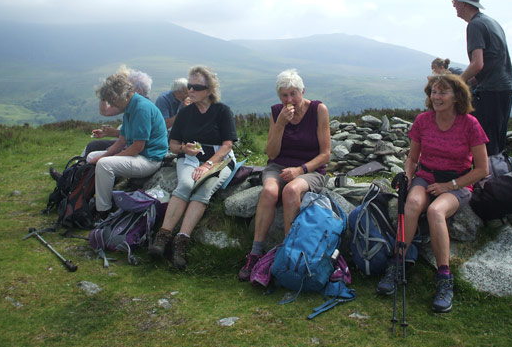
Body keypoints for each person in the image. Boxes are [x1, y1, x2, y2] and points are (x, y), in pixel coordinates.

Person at [376, 73, 489, 313]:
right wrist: (407, 175)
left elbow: (482, 169)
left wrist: (450, 186)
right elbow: (413, 158)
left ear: (457, 96)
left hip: (457, 183)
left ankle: (444, 279)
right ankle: (397, 266)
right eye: (434, 92)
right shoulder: (423, 121)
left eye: (442, 92)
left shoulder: (470, 124)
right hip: (425, 176)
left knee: (437, 211)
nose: (436, 97)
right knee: (413, 204)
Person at [238, 68, 331, 282]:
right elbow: (271, 153)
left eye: (293, 94)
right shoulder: (276, 112)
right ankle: (255, 252)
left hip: (310, 169)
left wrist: (300, 170)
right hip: (279, 165)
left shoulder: (318, 110)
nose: (290, 99)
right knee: (269, 191)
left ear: (302, 91)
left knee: (291, 190)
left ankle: (289, 252)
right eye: (284, 95)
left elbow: (325, 154)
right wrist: (280, 123)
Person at [148, 66, 238, 270]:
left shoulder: (222, 111)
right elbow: (172, 145)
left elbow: (227, 145)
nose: (191, 90)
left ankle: (181, 243)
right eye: (189, 86)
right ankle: (162, 237)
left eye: (196, 87)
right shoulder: (185, 113)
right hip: (189, 158)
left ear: (209, 90)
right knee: (186, 185)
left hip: (217, 159)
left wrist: (208, 165)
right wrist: (183, 149)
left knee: (204, 189)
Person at [86, 70, 168, 220]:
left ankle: (103, 211)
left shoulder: (141, 108)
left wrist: (106, 158)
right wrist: (103, 156)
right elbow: (122, 140)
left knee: (104, 165)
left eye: (113, 100)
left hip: (149, 159)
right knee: (92, 156)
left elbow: (138, 147)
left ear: (123, 95)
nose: (112, 104)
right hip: (139, 155)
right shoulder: (130, 107)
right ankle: (89, 196)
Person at [446, 0, 512, 155]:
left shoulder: (475, 25)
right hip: (504, 88)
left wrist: (457, 84)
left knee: (482, 143)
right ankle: (497, 178)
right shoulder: (492, 23)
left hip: (490, 90)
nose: (453, 4)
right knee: (496, 142)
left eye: (455, 0)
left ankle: (486, 180)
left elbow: (477, 64)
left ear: (465, 3)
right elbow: (492, 62)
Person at [84, 68, 154, 157]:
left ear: (139, 90)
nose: (125, 88)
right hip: (130, 144)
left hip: (137, 149)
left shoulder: (142, 108)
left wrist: (113, 133)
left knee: (93, 147)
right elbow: (105, 111)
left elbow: (138, 138)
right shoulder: (129, 104)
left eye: (129, 86)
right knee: (93, 146)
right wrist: (106, 92)